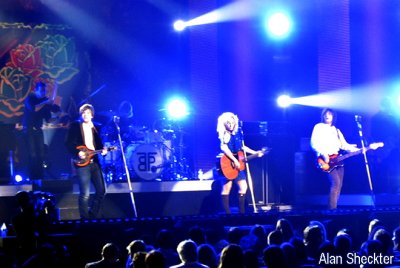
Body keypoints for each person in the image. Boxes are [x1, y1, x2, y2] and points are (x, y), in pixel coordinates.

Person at [65, 104, 107, 219]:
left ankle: (93, 215)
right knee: (85, 194)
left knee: (101, 190)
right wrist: (76, 152)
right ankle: (85, 219)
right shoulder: (75, 126)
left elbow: (99, 145)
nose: (85, 115)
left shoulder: (96, 127)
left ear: (92, 115)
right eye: (83, 113)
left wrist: (104, 151)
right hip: (82, 162)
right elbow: (68, 143)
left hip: (95, 162)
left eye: (88, 113)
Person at [310, 108, 358, 209]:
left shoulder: (336, 130)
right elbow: (313, 143)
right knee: (335, 183)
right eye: (325, 114)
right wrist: (323, 153)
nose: (327, 116)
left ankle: (334, 207)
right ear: (323, 116)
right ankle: (332, 211)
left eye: (330, 114)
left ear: (333, 117)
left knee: (339, 185)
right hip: (326, 159)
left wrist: (356, 149)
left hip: (338, 159)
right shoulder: (319, 127)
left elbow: (344, 145)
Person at [216, 112, 263, 214]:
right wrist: (234, 160)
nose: (230, 125)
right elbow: (224, 148)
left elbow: (242, 147)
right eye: (228, 123)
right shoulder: (224, 134)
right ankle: (227, 214)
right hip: (227, 163)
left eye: (232, 123)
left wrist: (255, 152)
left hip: (238, 164)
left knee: (243, 187)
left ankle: (241, 212)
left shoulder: (238, 133)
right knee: (226, 189)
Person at [22, 81, 57, 180]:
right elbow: (34, 109)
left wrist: (59, 116)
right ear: (35, 90)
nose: (44, 93)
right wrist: (46, 101)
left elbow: (48, 119)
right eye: (42, 90)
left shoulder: (45, 102)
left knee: (41, 153)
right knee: (32, 154)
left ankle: (40, 177)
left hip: (38, 130)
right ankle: (32, 177)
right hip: (28, 130)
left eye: (45, 91)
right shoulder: (30, 98)